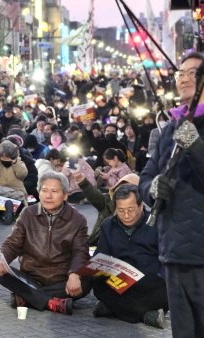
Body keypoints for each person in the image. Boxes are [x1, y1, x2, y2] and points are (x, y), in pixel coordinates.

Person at [139, 51, 204, 338]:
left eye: (194, 73)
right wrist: (152, 189)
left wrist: (196, 145)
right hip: (173, 249)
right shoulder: (169, 128)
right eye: (181, 73)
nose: (185, 79)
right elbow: (146, 175)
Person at [0, 171, 91, 315]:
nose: (48, 196)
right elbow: (12, 243)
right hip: (31, 277)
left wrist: (74, 274)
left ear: (65, 195)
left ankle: (27, 297)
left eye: (54, 191)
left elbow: (80, 251)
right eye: (44, 190)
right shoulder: (28, 214)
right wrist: (0, 260)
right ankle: (51, 303)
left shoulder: (77, 219)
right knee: (3, 274)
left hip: (61, 278)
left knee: (87, 281)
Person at [92, 184, 168, 329]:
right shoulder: (108, 226)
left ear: (140, 206)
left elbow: (166, 258)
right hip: (118, 282)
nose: (126, 215)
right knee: (98, 283)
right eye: (121, 211)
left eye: (131, 210)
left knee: (162, 288)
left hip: (148, 283)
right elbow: (100, 256)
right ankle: (146, 316)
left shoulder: (157, 224)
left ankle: (110, 309)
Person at [0, 140, 28, 225]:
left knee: (15, 203)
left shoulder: (19, 163)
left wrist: (15, 162)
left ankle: (9, 214)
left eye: (7, 157)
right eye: (2, 157)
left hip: (14, 192)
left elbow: (22, 174)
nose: (4, 159)